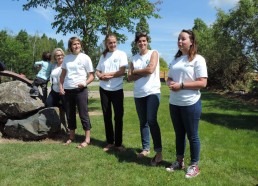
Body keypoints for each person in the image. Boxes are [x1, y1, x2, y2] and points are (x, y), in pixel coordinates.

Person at [165, 29, 208, 178]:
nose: (180, 41)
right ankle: (179, 161)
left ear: (191, 42)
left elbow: (202, 82)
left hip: (191, 103)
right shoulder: (175, 60)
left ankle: (194, 165)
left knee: (192, 135)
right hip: (174, 103)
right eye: (178, 39)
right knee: (179, 134)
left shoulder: (198, 59)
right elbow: (168, 78)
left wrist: (181, 85)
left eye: (183, 39)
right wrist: (170, 82)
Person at [128, 32, 162, 166]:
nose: (142, 43)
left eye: (144, 41)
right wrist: (142, 71)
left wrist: (136, 71)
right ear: (136, 43)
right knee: (143, 122)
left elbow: (151, 69)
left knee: (151, 120)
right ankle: (145, 149)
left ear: (147, 42)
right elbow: (129, 78)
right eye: (139, 41)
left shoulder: (153, 53)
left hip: (152, 92)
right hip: (138, 94)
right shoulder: (134, 58)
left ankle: (158, 151)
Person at [59, 37, 94, 148]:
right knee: (70, 114)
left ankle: (87, 139)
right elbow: (63, 75)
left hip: (81, 90)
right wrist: (61, 86)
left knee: (83, 114)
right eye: (74, 44)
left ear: (81, 45)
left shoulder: (85, 58)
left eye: (78, 44)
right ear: (70, 46)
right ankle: (71, 137)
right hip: (68, 90)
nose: (76, 46)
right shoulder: (67, 59)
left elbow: (92, 75)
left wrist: (85, 83)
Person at [96, 33, 128, 152]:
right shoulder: (103, 55)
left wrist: (107, 75)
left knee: (118, 116)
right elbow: (98, 70)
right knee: (107, 115)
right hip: (104, 89)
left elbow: (122, 71)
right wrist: (100, 76)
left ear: (117, 42)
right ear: (106, 44)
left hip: (117, 89)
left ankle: (118, 144)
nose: (112, 44)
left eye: (114, 42)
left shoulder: (121, 54)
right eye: (110, 43)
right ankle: (110, 142)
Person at [45, 48, 67, 131]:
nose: (60, 56)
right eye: (58, 55)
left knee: (66, 110)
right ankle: (54, 126)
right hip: (54, 90)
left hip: (64, 91)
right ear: (55, 57)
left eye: (61, 55)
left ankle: (67, 129)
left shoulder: (65, 65)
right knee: (48, 104)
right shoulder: (54, 66)